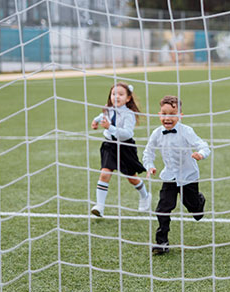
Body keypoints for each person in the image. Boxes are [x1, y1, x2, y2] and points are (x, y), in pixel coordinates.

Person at [143, 96, 210, 255]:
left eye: (172, 114)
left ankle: (199, 202)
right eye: (164, 114)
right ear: (159, 114)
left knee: (193, 208)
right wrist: (150, 166)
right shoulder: (157, 134)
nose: (168, 118)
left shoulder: (186, 131)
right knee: (163, 208)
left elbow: (202, 144)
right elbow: (148, 152)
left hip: (188, 176)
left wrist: (201, 154)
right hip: (169, 177)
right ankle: (162, 242)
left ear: (180, 115)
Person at [90, 82, 150, 217]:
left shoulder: (129, 114)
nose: (116, 97)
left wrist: (109, 127)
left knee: (131, 178)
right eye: (113, 94)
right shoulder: (108, 109)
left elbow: (127, 134)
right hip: (109, 145)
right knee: (105, 173)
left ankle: (145, 196)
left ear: (128, 98)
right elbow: (102, 117)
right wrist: (95, 121)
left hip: (125, 147)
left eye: (121, 94)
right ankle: (100, 206)